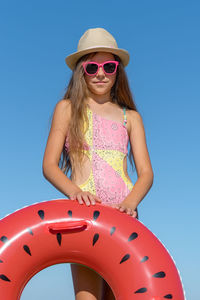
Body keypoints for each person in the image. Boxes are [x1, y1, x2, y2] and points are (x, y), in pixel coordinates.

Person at [42, 27, 154, 300]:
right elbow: (49, 165)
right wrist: (73, 191)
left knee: (120, 294)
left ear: (118, 71)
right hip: (83, 218)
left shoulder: (132, 118)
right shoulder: (67, 109)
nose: (101, 73)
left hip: (123, 218)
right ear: (82, 71)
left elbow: (146, 173)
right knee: (87, 297)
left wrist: (130, 203)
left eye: (109, 66)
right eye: (92, 66)